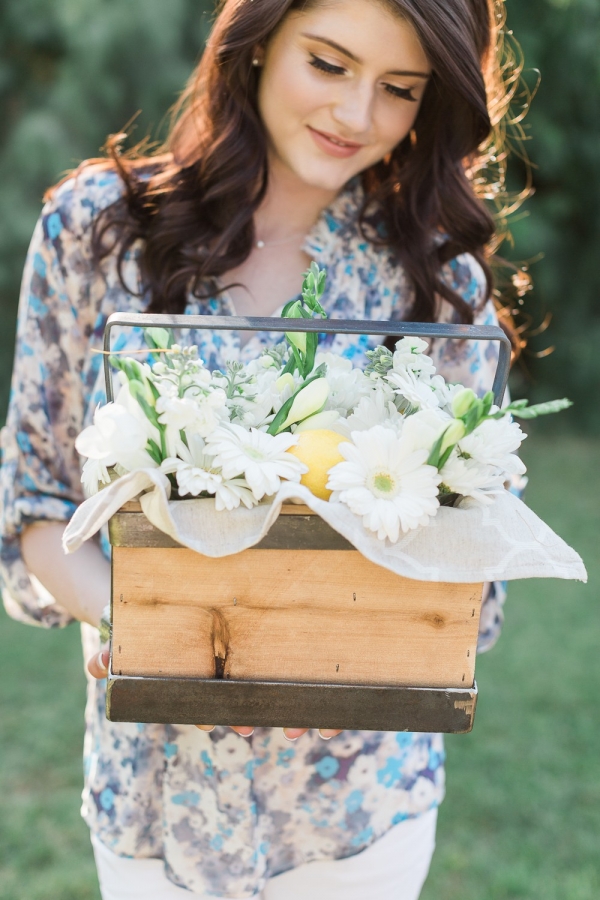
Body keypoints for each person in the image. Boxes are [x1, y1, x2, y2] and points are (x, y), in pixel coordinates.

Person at [0, 0, 527, 897]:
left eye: (399, 88)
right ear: (257, 42)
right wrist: (131, 624)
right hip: (155, 807)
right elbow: (36, 499)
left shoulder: (439, 284)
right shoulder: (100, 230)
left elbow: (469, 594)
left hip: (357, 816)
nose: (357, 116)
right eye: (327, 64)